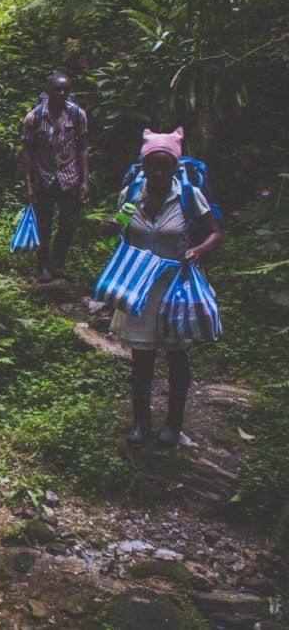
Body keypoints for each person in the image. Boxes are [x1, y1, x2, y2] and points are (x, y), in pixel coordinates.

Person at [101, 127, 221, 448]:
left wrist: (198, 250)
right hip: (141, 286)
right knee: (141, 358)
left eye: (164, 166)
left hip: (175, 287)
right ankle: (141, 422)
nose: (156, 172)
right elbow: (124, 229)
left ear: (173, 166)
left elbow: (214, 233)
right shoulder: (131, 194)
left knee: (176, 355)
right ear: (143, 165)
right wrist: (114, 227)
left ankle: (173, 423)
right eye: (151, 165)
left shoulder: (187, 196)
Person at [20, 73, 90, 282]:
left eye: (66, 90)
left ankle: (58, 264)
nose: (62, 93)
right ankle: (43, 267)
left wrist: (85, 181)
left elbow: (83, 147)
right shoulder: (34, 117)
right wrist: (29, 185)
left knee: (68, 222)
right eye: (57, 90)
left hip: (70, 176)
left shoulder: (77, 115)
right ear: (48, 90)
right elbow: (27, 153)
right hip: (44, 176)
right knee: (43, 224)